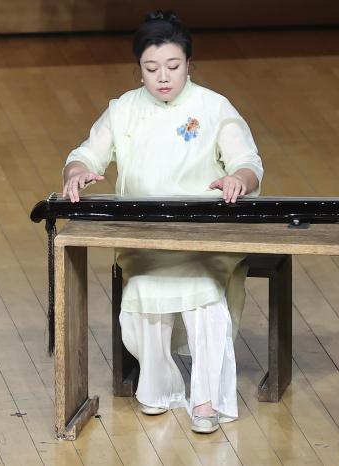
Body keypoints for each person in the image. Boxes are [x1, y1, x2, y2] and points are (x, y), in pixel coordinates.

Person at [61, 10, 263, 434]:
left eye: (173, 66)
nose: (163, 77)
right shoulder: (123, 110)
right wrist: (76, 172)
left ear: (189, 64)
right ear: (139, 70)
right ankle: (160, 388)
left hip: (202, 239)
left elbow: (248, 163)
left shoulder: (213, 107)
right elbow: (86, 154)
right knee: (143, 293)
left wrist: (238, 180)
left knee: (203, 294)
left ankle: (207, 400)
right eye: (152, 68)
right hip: (145, 240)